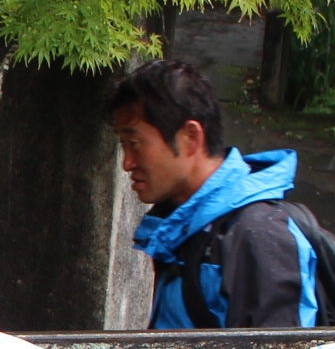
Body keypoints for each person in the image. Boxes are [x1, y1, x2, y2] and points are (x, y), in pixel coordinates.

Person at [109, 60, 315, 329]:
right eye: (124, 146)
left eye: (135, 144)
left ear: (191, 137)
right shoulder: (184, 227)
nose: (127, 163)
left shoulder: (258, 237)